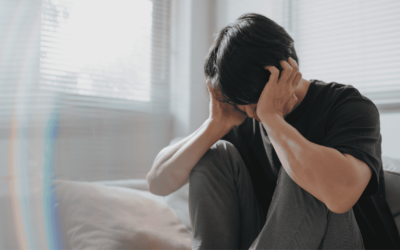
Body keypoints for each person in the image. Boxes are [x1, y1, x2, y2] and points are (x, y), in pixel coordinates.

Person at [146, 13, 400, 249]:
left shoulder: (349, 105)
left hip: (349, 240)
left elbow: (341, 196)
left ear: (285, 72)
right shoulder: (241, 113)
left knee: (304, 166)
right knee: (214, 153)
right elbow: (157, 182)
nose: (250, 113)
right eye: (240, 103)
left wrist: (273, 119)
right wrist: (215, 125)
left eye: (254, 103)